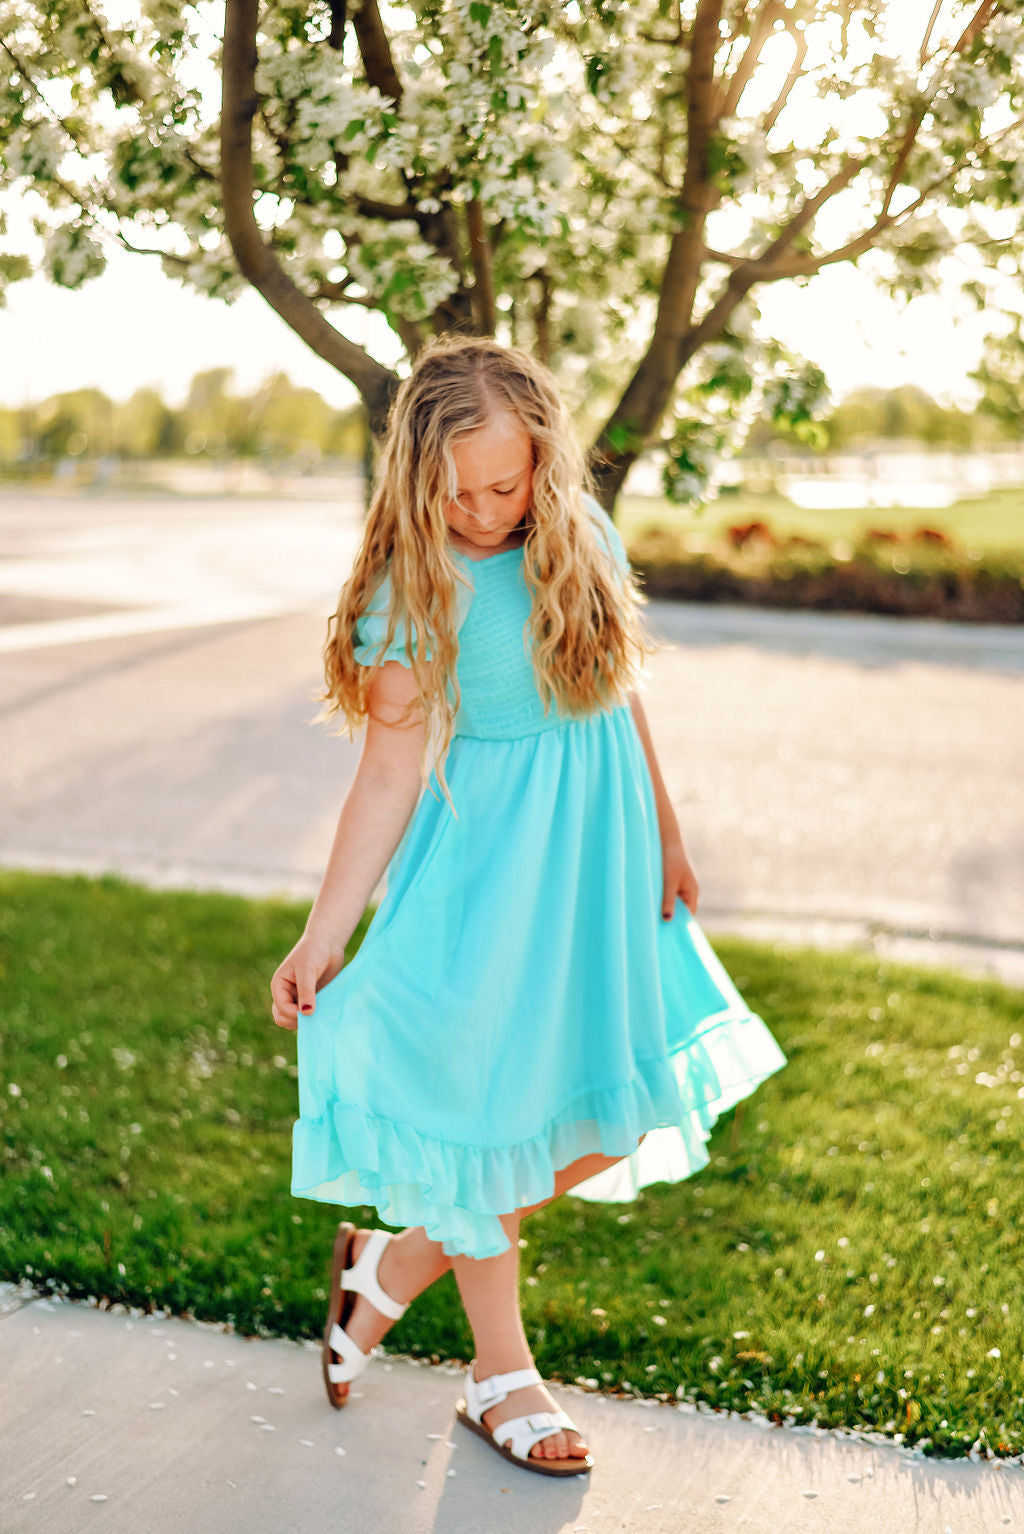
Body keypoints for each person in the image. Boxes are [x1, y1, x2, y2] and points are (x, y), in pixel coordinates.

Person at [270, 334, 788, 1478]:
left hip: (599, 861)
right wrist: (325, 932)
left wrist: (665, 827)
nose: (485, 508)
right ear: (416, 477)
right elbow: (390, 770)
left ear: (543, 458)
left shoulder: (578, 531)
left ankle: (393, 1268)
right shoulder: (416, 585)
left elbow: (619, 683)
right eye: (458, 489)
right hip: (491, 874)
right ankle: (501, 1376)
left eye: (507, 482)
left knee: (621, 1114)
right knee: (494, 1124)